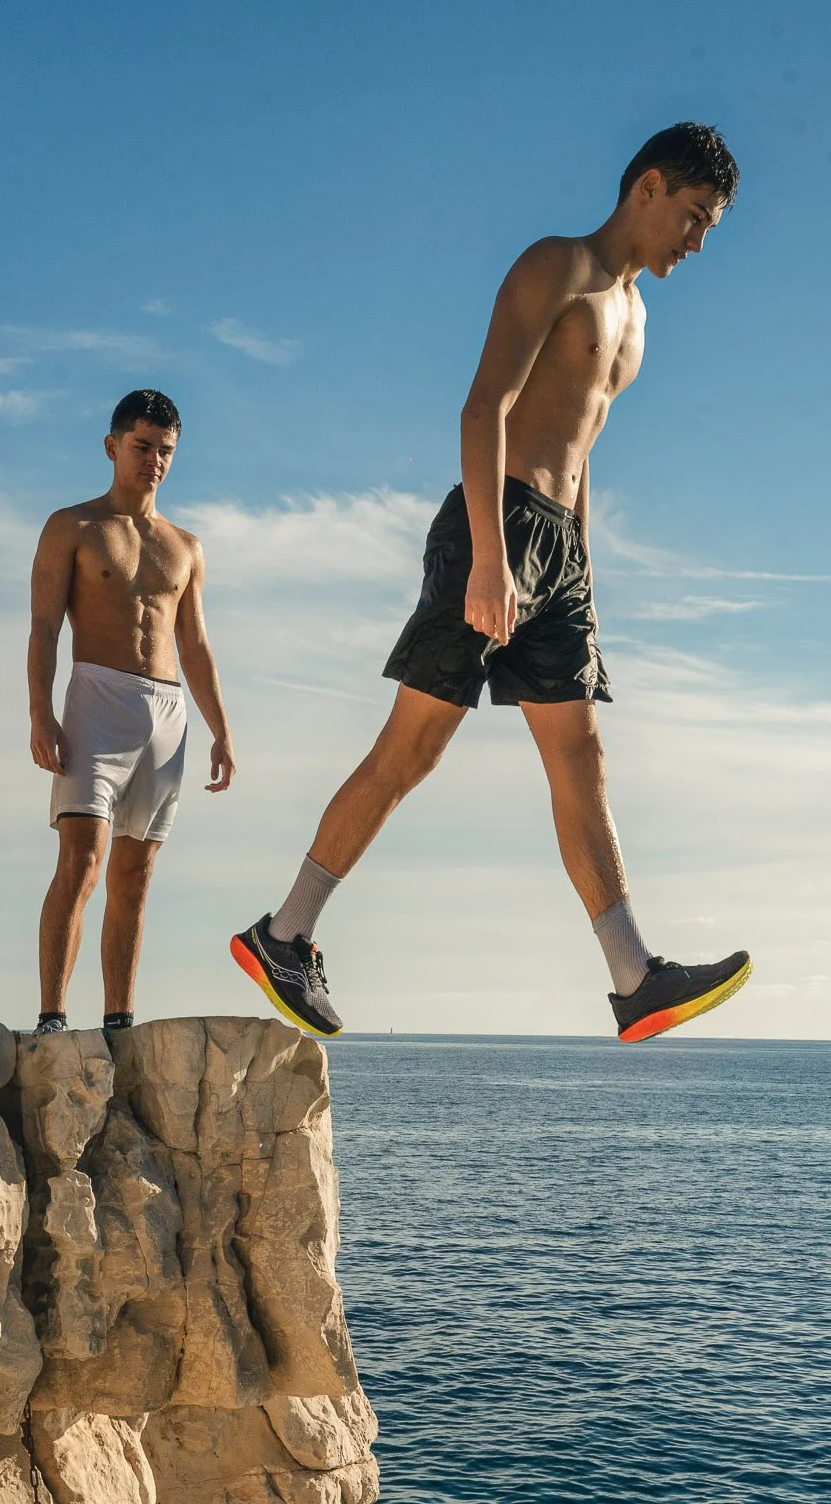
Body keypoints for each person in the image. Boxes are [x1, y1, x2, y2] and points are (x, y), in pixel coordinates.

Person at [231, 122, 752, 1045]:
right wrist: (485, 555)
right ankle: (285, 932)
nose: (698, 241)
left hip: (557, 550)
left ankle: (633, 976)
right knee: (412, 750)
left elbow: (582, 453)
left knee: (580, 757)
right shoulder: (556, 266)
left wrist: (582, 576)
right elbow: (486, 406)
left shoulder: (635, 318)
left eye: (709, 227)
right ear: (649, 186)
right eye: (694, 217)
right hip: (495, 522)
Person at [28, 390, 235, 1035]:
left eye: (166, 451)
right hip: (96, 697)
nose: (154, 461)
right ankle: (53, 1016)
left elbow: (195, 644)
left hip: (166, 711)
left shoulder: (186, 546)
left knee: (136, 872)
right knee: (82, 858)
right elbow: (43, 627)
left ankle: (119, 1017)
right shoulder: (73, 527)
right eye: (143, 447)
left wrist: (222, 731)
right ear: (113, 445)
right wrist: (40, 712)